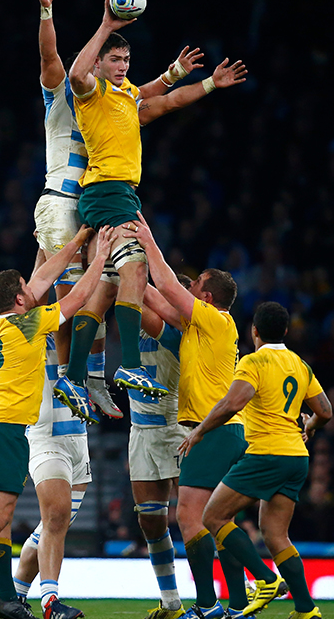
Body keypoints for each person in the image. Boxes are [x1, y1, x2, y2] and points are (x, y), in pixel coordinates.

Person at [54, 0, 246, 414]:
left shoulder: (126, 96)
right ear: (100, 63)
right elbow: (76, 74)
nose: (122, 66)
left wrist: (206, 81)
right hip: (109, 191)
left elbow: (167, 99)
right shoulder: (92, 94)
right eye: (114, 60)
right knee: (136, 269)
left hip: (114, 194)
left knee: (105, 289)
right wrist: (106, 24)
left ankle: (73, 375)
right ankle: (131, 366)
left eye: (126, 59)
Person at [33, 0, 202, 420]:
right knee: (71, 299)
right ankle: (67, 378)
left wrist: (176, 74)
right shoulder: (63, 92)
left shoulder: (110, 99)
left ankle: (89, 377)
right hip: (62, 202)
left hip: (85, 205)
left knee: (102, 286)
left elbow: (145, 96)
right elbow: (51, 55)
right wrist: (47, 10)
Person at [0, 225, 116, 619]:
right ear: (20, 299)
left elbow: (37, 282)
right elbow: (77, 298)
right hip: (4, 430)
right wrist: (99, 257)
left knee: (1, 522)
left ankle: (7, 598)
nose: (31, 289)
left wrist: (68, 243)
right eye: (25, 289)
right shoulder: (30, 324)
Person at [123, 215, 248, 619]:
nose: (187, 291)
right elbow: (152, 294)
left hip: (198, 428)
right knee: (189, 519)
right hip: (171, 429)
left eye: (194, 288)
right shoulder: (197, 325)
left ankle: (228, 596)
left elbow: (160, 291)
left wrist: (140, 245)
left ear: (204, 298)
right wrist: (122, 265)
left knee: (200, 517)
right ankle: (219, 600)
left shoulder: (202, 323)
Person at [180, 301, 332, 619]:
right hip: (297, 457)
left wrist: (200, 431)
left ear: (255, 331)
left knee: (214, 517)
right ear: (286, 331)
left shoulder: (254, 361)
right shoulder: (299, 364)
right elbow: (325, 411)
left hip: (266, 453)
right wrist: (310, 426)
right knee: (276, 535)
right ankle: (306, 609)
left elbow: (234, 402)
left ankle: (265, 579)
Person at [11, 328, 90, 619]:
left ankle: (13, 598)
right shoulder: (32, 329)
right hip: (46, 438)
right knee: (55, 519)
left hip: (79, 439)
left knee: (52, 526)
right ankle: (50, 602)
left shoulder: (85, 329)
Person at [132, 276, 193, 619]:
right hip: (141, 432)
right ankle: (171, 602)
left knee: (199, 519)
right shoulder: (137, 326)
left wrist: (123, 269)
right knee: (151, 522)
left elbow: (132, 297)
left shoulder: (177, 332)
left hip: (176, 429)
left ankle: (239, 588)